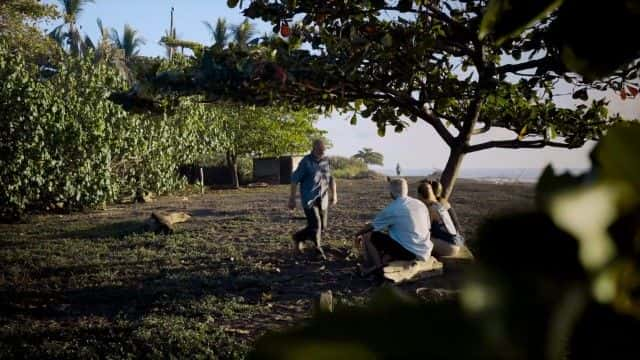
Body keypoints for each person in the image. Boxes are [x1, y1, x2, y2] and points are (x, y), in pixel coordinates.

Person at [354, 178, 433, 276]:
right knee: (390, 243)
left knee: (367, 235)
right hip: (425, 250)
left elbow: (371, 227)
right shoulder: (420, 204)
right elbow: (428, 227)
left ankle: (378, 268)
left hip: (410, 252)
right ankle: (383, 262)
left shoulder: (392, 208)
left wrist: (357, 234)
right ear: (406, 190)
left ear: (391, 192)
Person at [289, 139, 337, 259]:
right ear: (314, 148)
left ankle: (298, 237)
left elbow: (331, 178)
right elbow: (294, 180)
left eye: (323, 150)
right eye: (320, 150)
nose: (322, 152)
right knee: (316, 224)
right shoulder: (306, 162)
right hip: (309, 198)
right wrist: (292, 199)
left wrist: (334, 194)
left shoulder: (326, 161)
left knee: (322, 226)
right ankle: (318, 250)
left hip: (323, 198)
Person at [416, 180, 465, 256]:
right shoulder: (438, 204)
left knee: (418, 240)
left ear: (420, 195)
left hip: (450, 247)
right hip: (456, 242)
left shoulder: (431, 209)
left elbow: (426, 231)